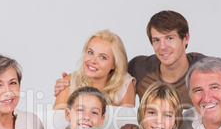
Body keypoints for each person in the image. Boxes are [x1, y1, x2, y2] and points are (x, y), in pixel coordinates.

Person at [54, 10, 205, 107]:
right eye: (156, 40)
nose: (162, 46)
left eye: (170, 38)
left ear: (185, 38)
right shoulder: (138, 67)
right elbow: (105, 72)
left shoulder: (205, 69)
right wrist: (67, 83)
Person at [53, 29, 136, 110]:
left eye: (103, 57)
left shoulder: (124, 83)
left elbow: (126, 121)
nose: (92, 60)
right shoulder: (69, 81)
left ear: (114, 65)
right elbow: (57, 121)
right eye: (90, 52)